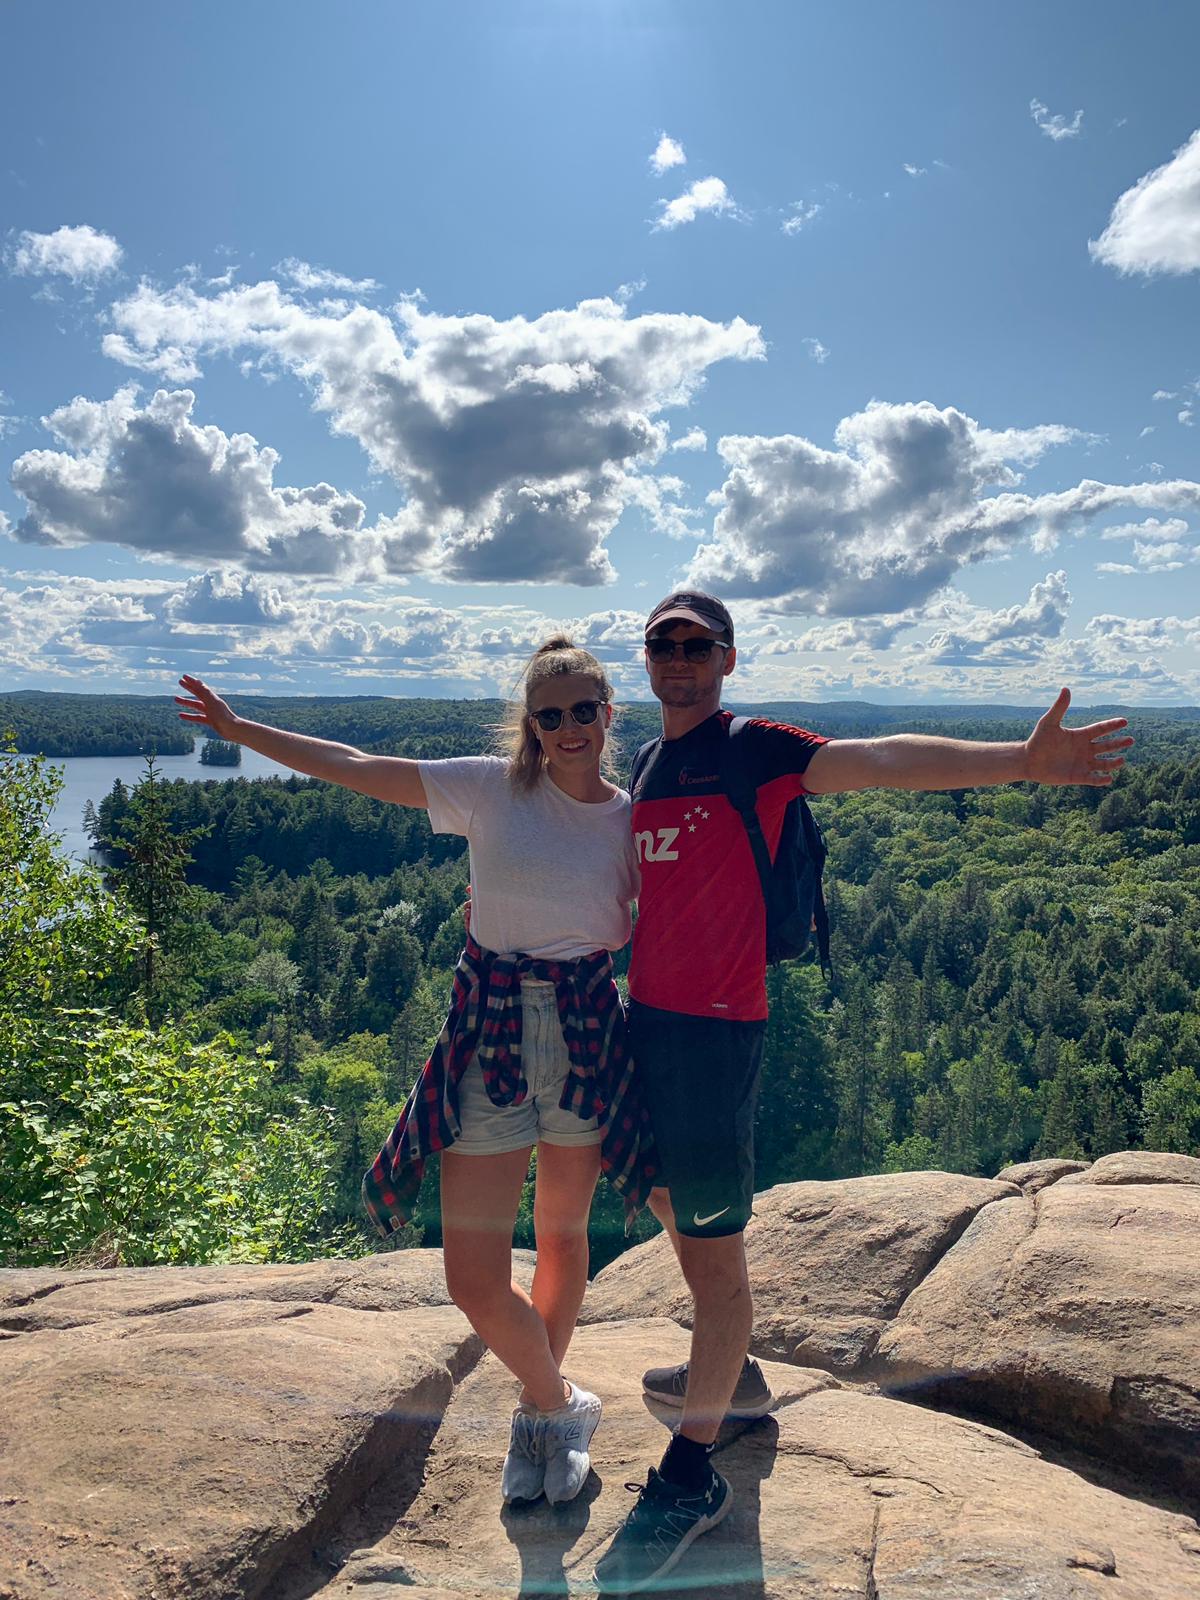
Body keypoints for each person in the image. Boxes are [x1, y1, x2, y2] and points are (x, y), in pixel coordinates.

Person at [594, 589, 1134, 1594]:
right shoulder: (651, 762)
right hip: (647, 1023)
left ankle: (690, 1474)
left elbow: (878, 758)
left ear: (727, 657)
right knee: (661, 1193)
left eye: (696, 643)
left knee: (714, 1259)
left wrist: (1020, 759)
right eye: (662, 642)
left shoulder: (751, 747)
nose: (678, 658)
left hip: (717, 1034)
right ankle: (734, 1371)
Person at [176, 638, 655, 1510]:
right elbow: (359, 765)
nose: (567, 727)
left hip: (589, 1033)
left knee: (561, 1237)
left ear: (608, 713)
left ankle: (533, 1421)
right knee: (471, 1275)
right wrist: (241, 729)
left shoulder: (630, 819)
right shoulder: (488, 789)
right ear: (530, 723)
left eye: (584, 708)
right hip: (490, 1031)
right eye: (549, 714)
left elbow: (657, 919)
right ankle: (559, 1403)